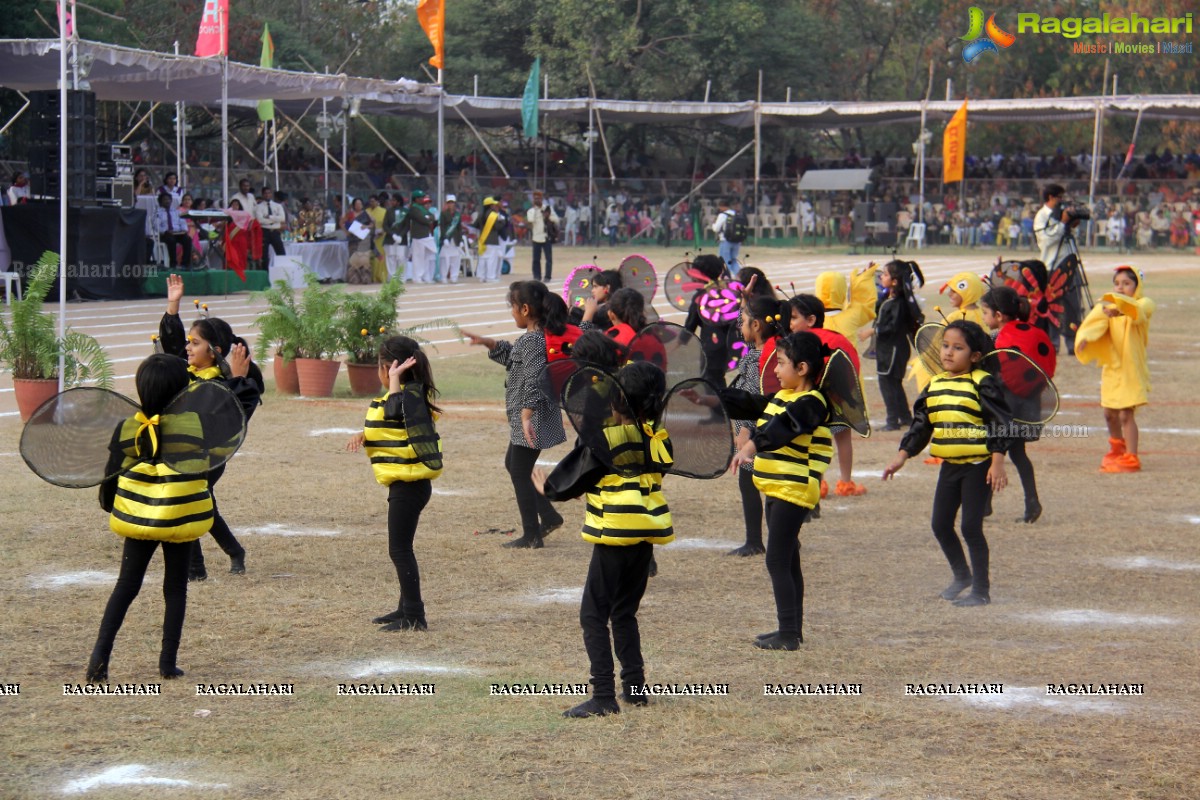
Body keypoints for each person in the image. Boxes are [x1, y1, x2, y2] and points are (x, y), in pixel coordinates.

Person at [533, 361, 674, 717]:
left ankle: (603, 695)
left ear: (617, 401)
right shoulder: (660, 440)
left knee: (593, 614)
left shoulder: (606, 438)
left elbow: (570, 480)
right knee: (624, 612)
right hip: (645, 539)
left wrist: (545, 488)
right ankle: (636, 687)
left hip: (613, 538)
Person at [86, 355, 212, 682]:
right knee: (175, 589)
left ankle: (99, 659)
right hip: (180, 515)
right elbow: (207, 470)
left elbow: (110, 478)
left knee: (126, 586)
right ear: (182, 391)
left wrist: (113, 505)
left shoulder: (129, 427)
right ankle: (167, 663)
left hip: (138, 516)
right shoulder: (194, 425)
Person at [882, 321, 1012, 607]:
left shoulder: (983, 382)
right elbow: (921, 426)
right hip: (950, 467)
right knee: (940, 524)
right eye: (945, 346)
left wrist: (998, 462)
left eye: (958, 347)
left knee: (970, 527)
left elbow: (999, 423)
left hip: (979, 466)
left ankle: (981, 590)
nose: (948, 353)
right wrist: (901, 456)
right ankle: (962, 576)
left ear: (975, 356)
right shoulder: (935, 384)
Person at [724, 332, 833, 650]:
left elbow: (785, 425)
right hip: (778, 489)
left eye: (780, 363)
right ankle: (791, 630)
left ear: (802, 368)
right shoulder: (783, 396)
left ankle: (788, 633)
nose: (774, 370)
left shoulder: (812, 403)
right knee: (788, 560)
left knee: (776, 561)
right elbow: (749, 403)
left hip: (793, 491)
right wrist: (711, 397)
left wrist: (753, 444)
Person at [159, 275, 262, 580]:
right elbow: (172, 346)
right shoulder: (187, 371)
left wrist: (240, 380)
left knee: (188, 501)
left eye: (195, 343)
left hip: (209, 455)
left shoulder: (222, 383)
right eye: (189, 342)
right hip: (184, 450)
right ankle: (233, 551)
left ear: (214, 350)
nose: (188, 348)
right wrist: (173, 304)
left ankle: (196, 569)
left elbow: (234, 418)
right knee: (202, 505)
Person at [346, 336, 442, 632]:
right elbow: (391, 424)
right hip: (405, 486)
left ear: (388, 369)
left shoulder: (407, 398)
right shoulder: (406, 398)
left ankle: (415, 614)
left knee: (399, 550)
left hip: (409, 488)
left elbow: (393, 413)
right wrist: (365, 435)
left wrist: (394, 381)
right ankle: (404, 608)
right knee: (402, 548)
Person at [462, 281, 566, 548]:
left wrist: (526, 415)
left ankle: (532, 534)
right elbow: (514, 359)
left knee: (519, 470)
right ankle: (550, 517)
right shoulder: (534, 337)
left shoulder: (533, 340)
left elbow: (534, 379)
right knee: (515, 465)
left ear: (525, 309)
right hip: (532, 416)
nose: (511, 312)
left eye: (512, 307)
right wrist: (488, 343)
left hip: (533, 417)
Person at [980, 286, 1055, 522]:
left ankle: (986, 504)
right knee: (1017, 454)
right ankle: (1029, 502)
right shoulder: (1030, 331)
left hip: (1006, 406)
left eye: (985, 313)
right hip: (1027, 403)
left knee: (992, 450)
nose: (983, 318)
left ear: (999, 315)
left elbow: (990, 372)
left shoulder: (997, 339)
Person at [726, 296, 791, 557]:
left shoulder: (759, 359)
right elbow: (739, 328)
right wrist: (744, 303)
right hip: (763, 431)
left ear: (755, 327)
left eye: (743, 321)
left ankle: (757, 540)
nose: (739, 326)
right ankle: (779, 539)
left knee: (756, 485)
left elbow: (755, 396)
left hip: (755, 432)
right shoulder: (774, 349)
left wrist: (744, 432)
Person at [1075, 267, 1154, 473]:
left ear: (1137, 287)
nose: (1120, 287)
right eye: (1117, 283)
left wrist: (1118, 310)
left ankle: (1132, 457)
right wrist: (1084, 339)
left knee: (1126, 414)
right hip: (1112, 368)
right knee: (1109, 413)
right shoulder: (1107, 309)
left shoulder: (1144, 303)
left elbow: (1137, 311)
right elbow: (1094, 326)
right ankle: (1117, 449)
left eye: (1126, 284)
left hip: (1130, 369)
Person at [787, 294, 867, 497]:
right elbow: (851, 367)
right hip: (837, 400)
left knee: (812, 442)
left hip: (810, 402)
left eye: (794, 317)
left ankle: (817, 483)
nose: (790, 323)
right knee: (842, 439)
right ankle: (846, 482)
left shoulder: (797, 344)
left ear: (811, 320)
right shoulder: (836, 338)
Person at [866, 260, 924, 431]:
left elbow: (891, 327)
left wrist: (872, 331)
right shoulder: (889, 298)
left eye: (885, 274)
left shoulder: (898, 303)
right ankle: (905, 417)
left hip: (893, 349)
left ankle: (892, 420)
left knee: (888, 383)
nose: (881, 277)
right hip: (891, 349)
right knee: (894, 383)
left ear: (895, 281)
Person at [1034, 183, 1083, 355]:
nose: (1062, 201)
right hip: (1052, 267)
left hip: (1069, 264)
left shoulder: (1062, 215)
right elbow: (1047, 240)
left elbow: (1067, 237)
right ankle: (1053, 344)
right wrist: (1062, 223)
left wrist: (1070, 223)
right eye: (1059, 197)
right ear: (1051, 198)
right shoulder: (1042, 216)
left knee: (1074, 306)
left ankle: (1073, 344)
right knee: (1052, 308)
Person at [683, 254, 735, 388]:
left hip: (710, 349)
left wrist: (677, 344)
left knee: (710, 383)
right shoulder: (724, 291)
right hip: (726, 348)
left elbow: (689, 327)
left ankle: (719, 407)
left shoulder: (699, 297)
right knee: (718, 379)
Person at [403, 191, 438, 283]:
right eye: (421, 198)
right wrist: (428, 219)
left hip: (426, 235)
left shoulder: (422, 208)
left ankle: (425, 276)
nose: (423, 199)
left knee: (427, 256)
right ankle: (417, 277)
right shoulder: (414, 208)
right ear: (416, 199)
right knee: (418, 258)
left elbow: (432, 217)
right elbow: (422, 219)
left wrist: (428, 218)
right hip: (418, 236)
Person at [153, 192, 193, 269]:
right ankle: (173, 263)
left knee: (188, 239)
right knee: (171, 240)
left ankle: (185, 264)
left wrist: (184, 230)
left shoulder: (176, 211)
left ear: (171, 201)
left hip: (178, 233)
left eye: (168, 199)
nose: (167, 201)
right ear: (160, 201)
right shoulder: (158, 213)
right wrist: (165, 231)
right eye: (165, 199)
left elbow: (183, 222)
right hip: (166, 234)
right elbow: (156, 226)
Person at [528, 190, 559, 281]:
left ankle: (547, 276)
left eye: (539, 198)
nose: (537, 200)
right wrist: (536, 209)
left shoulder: (548, 208)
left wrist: (547, 215)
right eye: (536, 198)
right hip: (536, 237)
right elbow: (530, 220)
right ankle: (537, 276)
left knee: (548, 259)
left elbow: (556, 219)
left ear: (542, 199)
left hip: (546, 237)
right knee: (536, 259)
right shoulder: (531, 210)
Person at [474, 197, 505, 283]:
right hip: (492, 240)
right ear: (490, 205)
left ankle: (482, 276)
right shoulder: (493, 215)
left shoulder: (480, 214)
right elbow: (498, 227)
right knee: (491, 260)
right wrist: (502, 220)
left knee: (483, 259)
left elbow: (475, 225)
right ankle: (490, 277)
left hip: (482, 240)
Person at [383, 194, 409, 281]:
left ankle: (401, 278)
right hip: (390, 238)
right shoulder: (389, 211)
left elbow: (407, 226)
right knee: (391, 258)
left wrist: (401, 235)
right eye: (391, 200)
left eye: (394, 200)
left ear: (398, 201)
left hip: (402, 239)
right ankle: (392, 277)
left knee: (401, 258)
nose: (392, 202)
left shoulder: (405, 211)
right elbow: (385, 225)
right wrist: (392, 234)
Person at [255, 186, 287, 258]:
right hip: (264, 232)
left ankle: (282, 268)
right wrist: (274, 221)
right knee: (264, 255)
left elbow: (282, 218)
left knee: (281, 253)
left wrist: (270, 217)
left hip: (275, 232)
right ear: (262, 195)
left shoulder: (277, 206)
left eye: (269, 193)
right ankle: (265, 269)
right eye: (265, 193)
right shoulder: (258, 207)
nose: (267, 195)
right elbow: (259, 220)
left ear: (271, 194)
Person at [438, 194, 464, 283]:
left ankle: (454, 276)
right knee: (445, 259)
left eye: (452, 202)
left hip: (455, 239)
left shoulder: (457, 215)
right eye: (449, 202)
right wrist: (444, 238)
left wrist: (460, 240)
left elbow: (459, 228)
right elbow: (442, 226)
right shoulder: (443, 214)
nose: (450, 204)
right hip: (447, 239)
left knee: (455, 259)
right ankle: (443, 277)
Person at [711, 198, 741, 269]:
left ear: (722, 206)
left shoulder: (723, 215)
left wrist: (713, 224)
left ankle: (727, 277)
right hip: (737, 240)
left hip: (725, 240)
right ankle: (739, 275)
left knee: (724, 261)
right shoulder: (736, 213)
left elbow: (716, 229)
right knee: (733, 261)